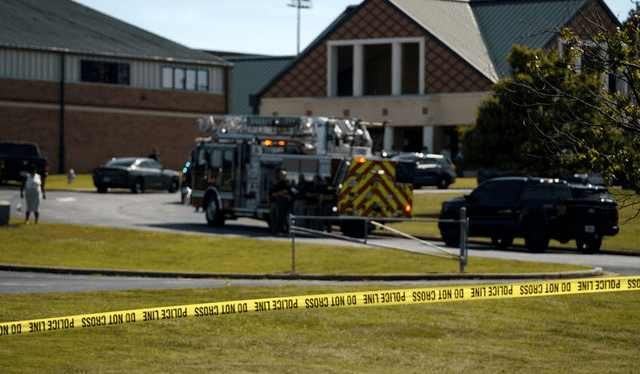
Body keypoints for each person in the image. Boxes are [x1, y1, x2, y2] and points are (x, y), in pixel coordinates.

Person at [269, 168, 292, 234]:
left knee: (284, 217)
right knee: (279, 216)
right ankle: (278, 230)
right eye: (283, 175)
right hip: (280, 202)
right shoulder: (279, 183)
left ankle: (283, 230)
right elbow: (279, 193)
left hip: (285, 203)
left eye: (285, 175)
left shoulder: (286, 184)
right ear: (280, 175)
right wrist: (287, 196)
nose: (284, 176)